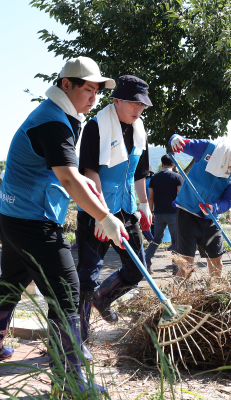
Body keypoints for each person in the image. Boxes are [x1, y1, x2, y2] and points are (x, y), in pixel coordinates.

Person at [0, 57, 124, 394]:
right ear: (65, 85)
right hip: (32, 221)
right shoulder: (53, 123)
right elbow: (69, 181)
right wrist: (105, 217)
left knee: (12, 283)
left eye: (97, 91)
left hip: (12, 214)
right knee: (67, 294)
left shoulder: (58, 116)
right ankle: (72, 380)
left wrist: (92, 192)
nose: (93, 97)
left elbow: (70, 177)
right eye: (88, 88)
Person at [75, 75, 152, 332]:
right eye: (133, 104)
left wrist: (144, 204)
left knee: (137, 269)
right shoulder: (96, 126)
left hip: (127, 208)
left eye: (142, 105)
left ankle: (103, 298)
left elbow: (140, 172)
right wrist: (101, 214)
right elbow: (89, 171)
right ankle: (79, 335)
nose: (138, 110)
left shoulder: (140, 131)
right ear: (116, 100)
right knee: (87, 275)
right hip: (96, 208)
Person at [170, 134, 231, 277]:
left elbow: (229, 200)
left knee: (217, 263)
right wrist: (174, 139)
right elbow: (182, 142)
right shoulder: (210, 149)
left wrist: (214, 208)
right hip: (187, 212)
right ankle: (176, 296)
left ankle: (215, 293)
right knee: (186, 264)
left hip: (211, 218)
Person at [144, 154, 183, 270]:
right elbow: (180, 197)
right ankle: (175, 267)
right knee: (176, 240)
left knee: (156, 239)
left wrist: (151, 213)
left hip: (159, 213)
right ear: (174, 165)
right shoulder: (177, 177)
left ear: (162, 164)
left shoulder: (154, 178)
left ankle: (147, 260)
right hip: (173, 213)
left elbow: (150, 198)